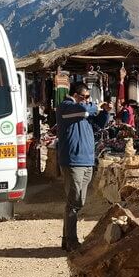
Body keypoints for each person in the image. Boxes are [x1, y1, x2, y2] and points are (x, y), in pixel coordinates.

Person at [56, 81, 96, 252]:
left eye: (88, 98)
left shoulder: (80, 112)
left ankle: (67, 238)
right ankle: (71, 241)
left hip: (87, 160)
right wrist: (94, 107)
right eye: (85, 97)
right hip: (73, 161)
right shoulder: (66, 107)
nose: (87, 100)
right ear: (76, 95)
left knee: (79, 201)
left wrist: (105, 113)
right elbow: (86, 111)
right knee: (73, 201)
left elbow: (98, 122)